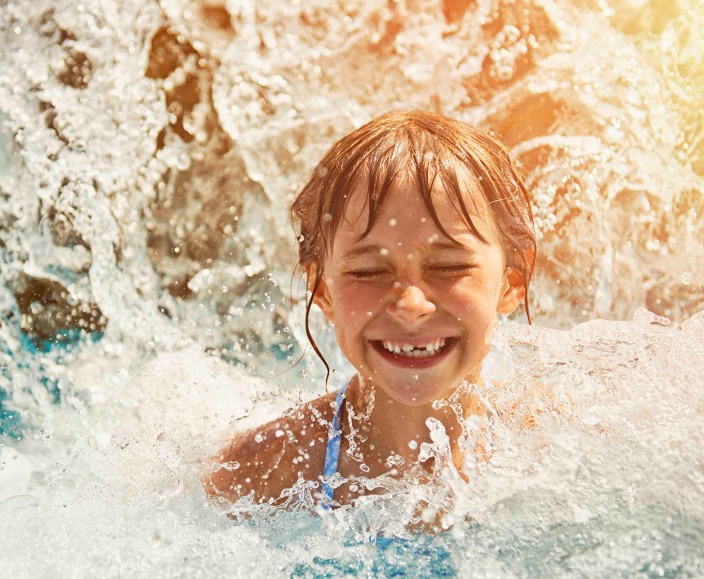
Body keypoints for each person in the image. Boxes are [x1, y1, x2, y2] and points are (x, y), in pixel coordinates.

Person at [204, 110, 537, 513]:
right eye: (369, 271)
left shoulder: (555, 448)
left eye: (448, 266)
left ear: (511, 283)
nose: (411, 305)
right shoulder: (263, 474)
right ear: (322, 290)